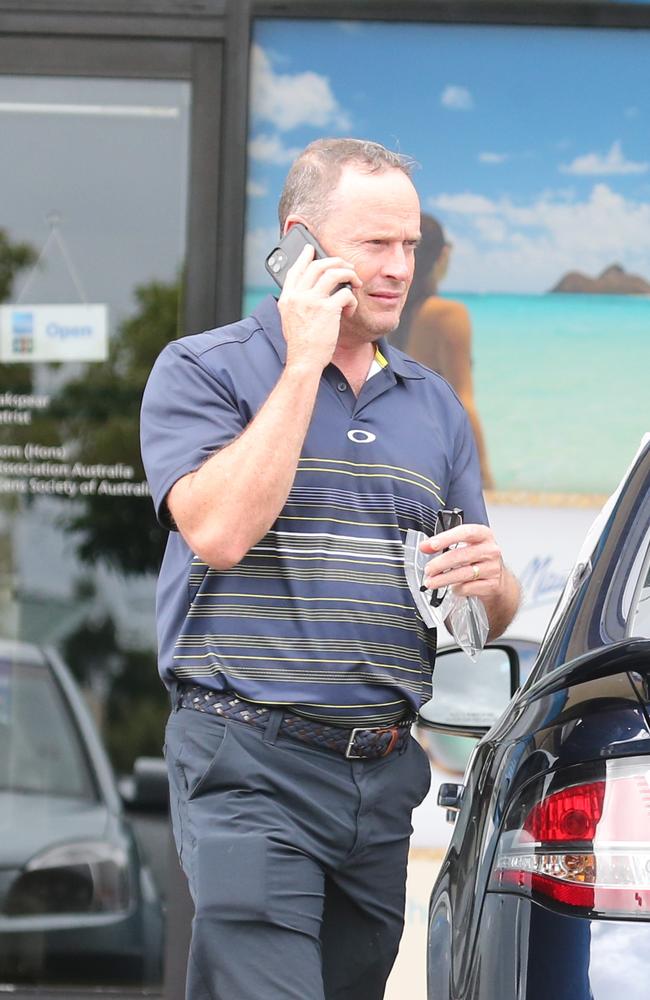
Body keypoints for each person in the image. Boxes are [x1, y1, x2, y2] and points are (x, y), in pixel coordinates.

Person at [140, 138, 520, 1000]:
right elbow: (222, 532)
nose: (399, 270)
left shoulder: (435, 407)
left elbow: (474, 614)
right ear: (301, 243)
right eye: (376, 245)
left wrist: (492, 586)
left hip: (382, 779)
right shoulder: (203, 370)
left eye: (411, 246)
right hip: (248, 764)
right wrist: (303, 359)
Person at [394, 213, 494, 489]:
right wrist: (484, 477)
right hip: (435, 458)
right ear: (443, 255)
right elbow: (464, 402)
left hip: (394, 452)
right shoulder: (447, 315)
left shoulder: (386, 312)